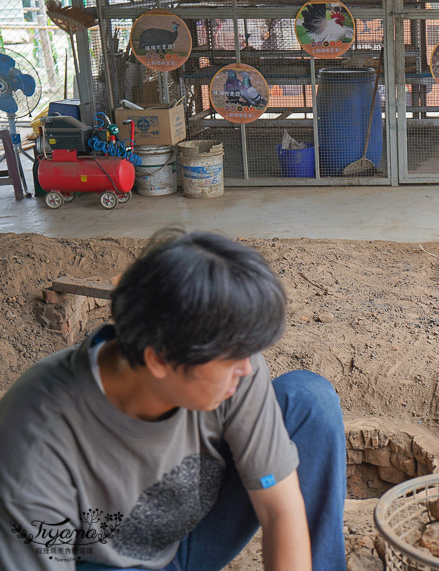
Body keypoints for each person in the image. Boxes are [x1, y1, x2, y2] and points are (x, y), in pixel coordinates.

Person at [0, 230, 347, 571]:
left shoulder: (237, 368)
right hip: (107, 563)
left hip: (194, 535)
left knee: (308, 400)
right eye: (232, 358)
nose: (248, 368)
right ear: (159, 358)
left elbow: (279, 508)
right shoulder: (35, 437)